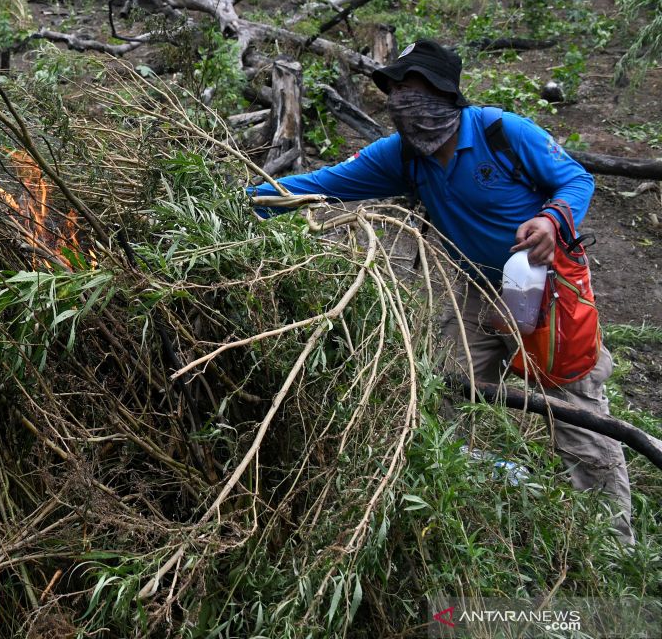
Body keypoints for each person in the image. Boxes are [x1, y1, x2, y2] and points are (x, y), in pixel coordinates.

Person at [246, 39, 635, 545]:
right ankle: (470, 507)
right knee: (438, 392)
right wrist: (242, 198)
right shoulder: (403, 157)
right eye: (395, 89)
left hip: (548, 292)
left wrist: (550, 219)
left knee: (577, 411)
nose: (402, 101)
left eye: (414, 87)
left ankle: (612, 544)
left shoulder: (501, 132)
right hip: (475, 292)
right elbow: (325, 183)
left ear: (445, 92)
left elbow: (576, 179)